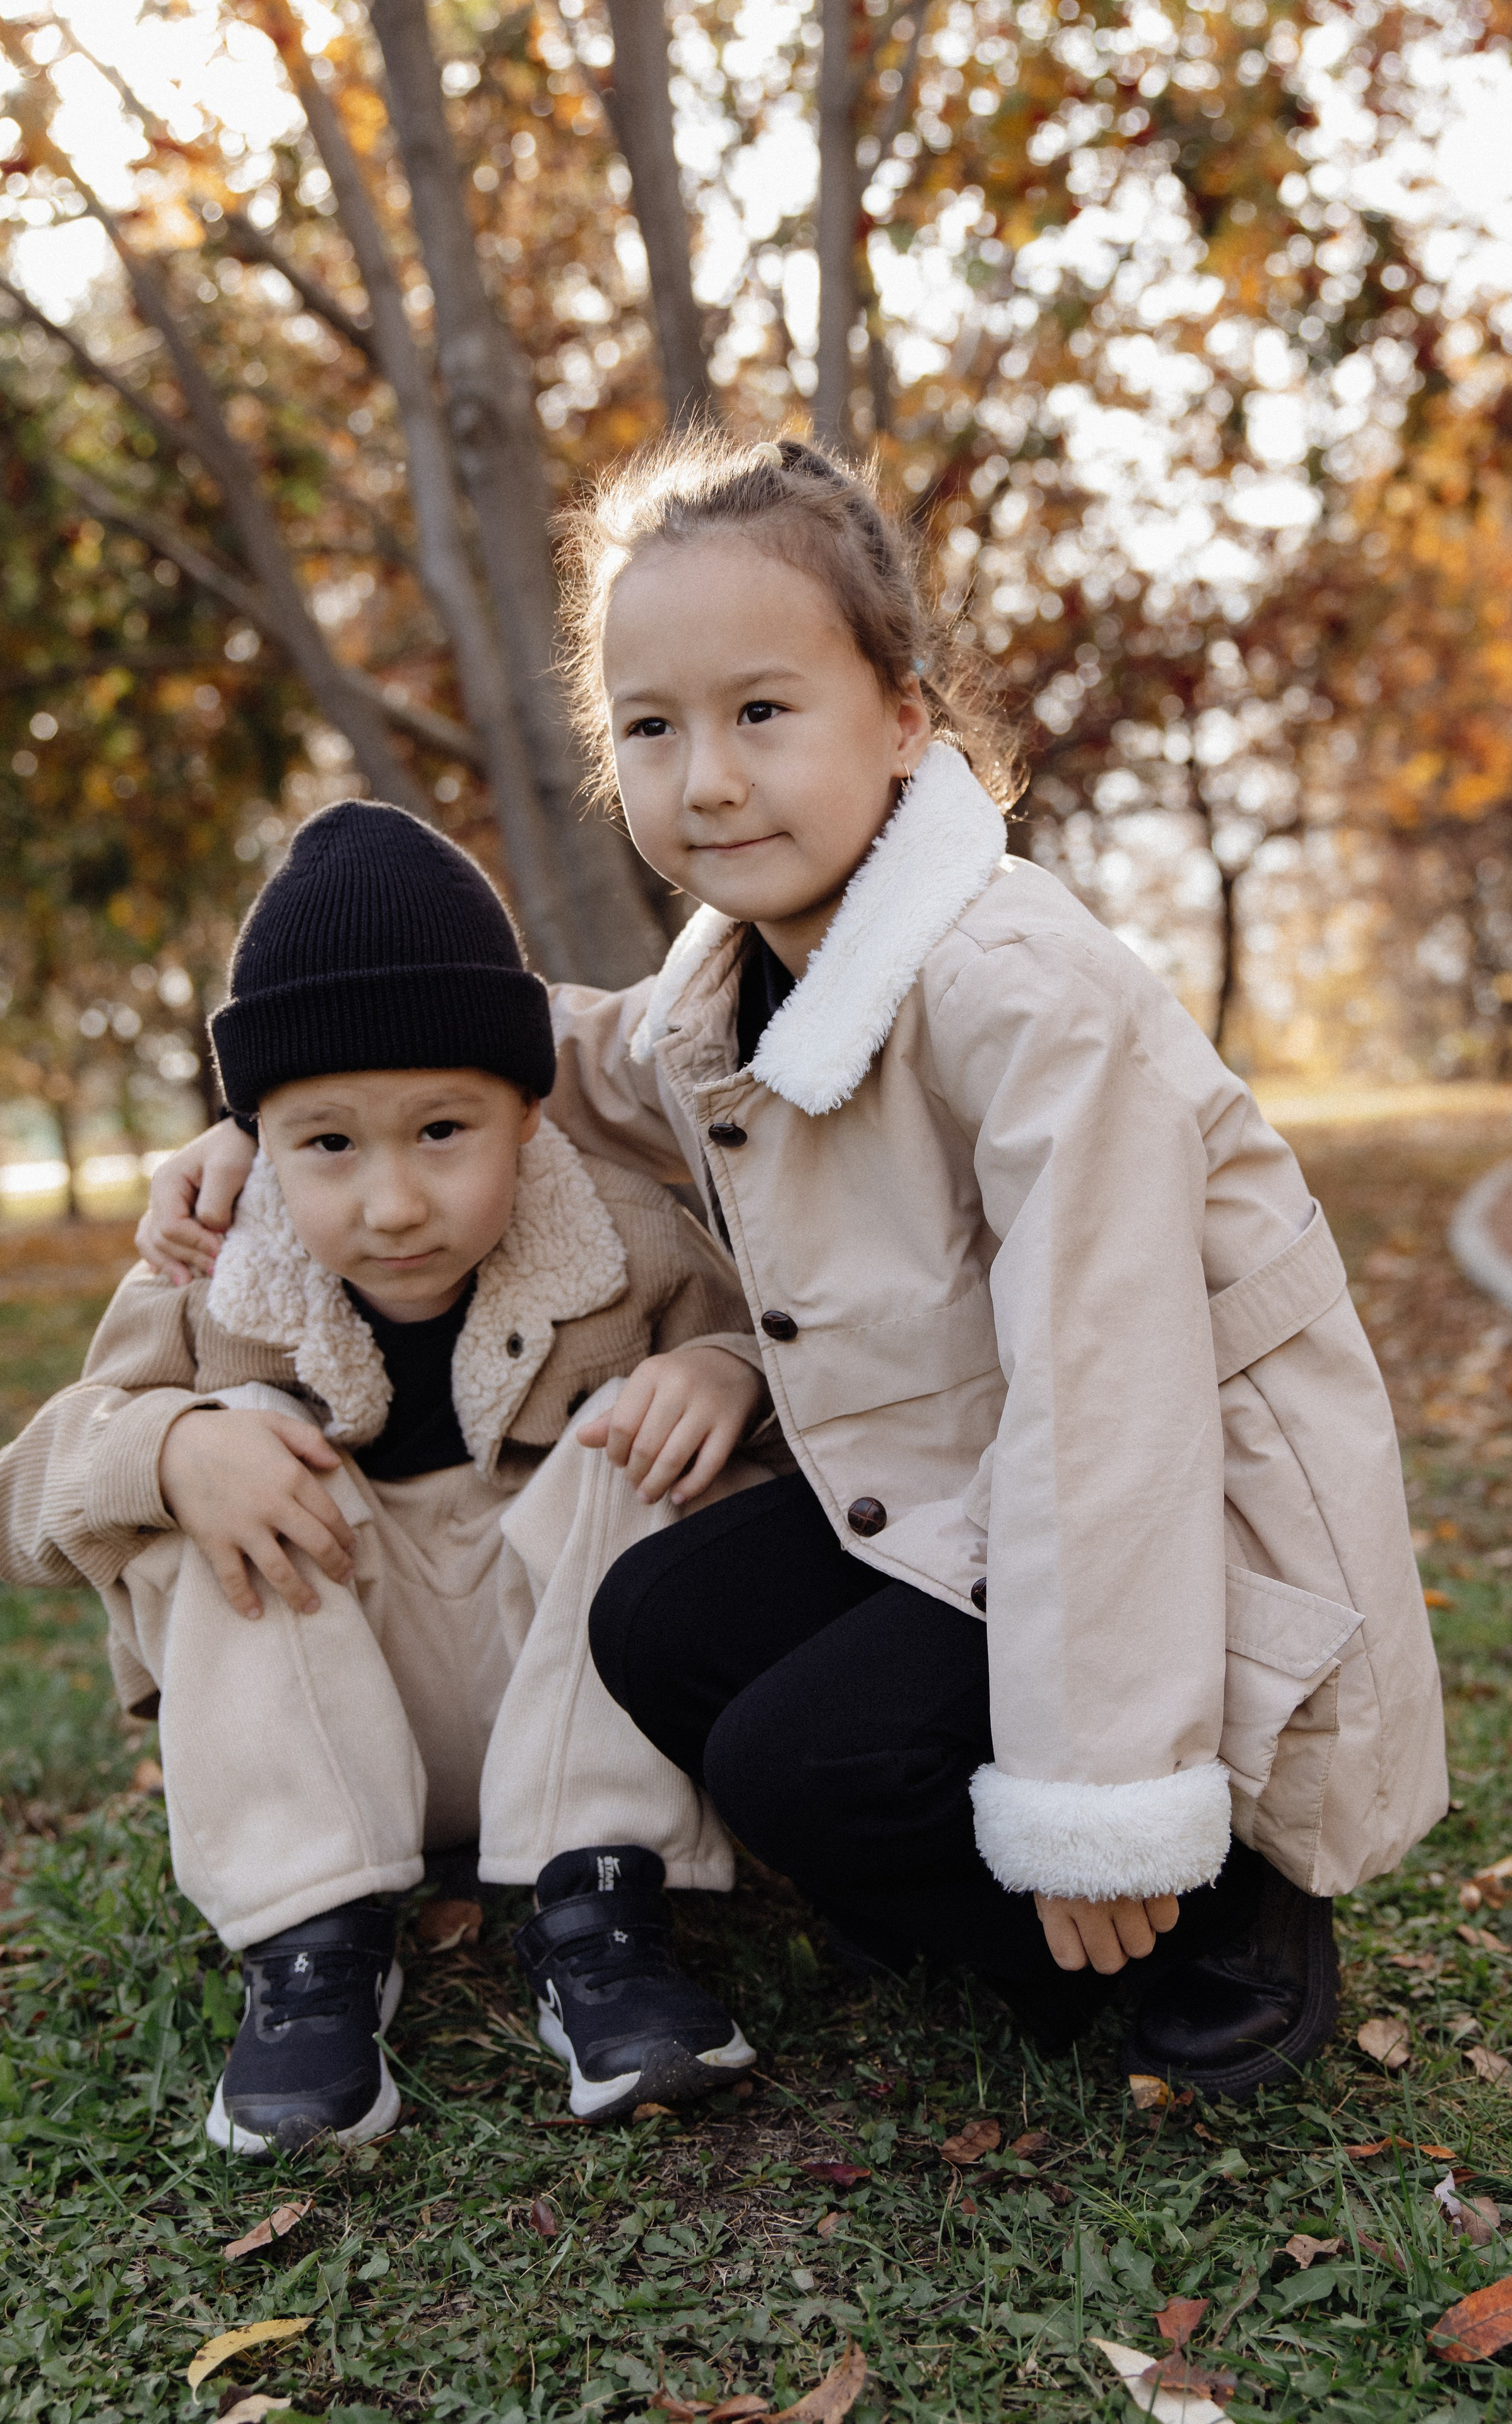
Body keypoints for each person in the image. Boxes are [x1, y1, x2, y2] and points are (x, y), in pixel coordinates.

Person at [137, 434, 1448, 2098]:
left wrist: (1103, 1790)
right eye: (650, 728)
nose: (707, 780)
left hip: (1174, 1522)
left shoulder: (1019, 988)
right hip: (962, 1496)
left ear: (901, 718)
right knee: (654, 1622)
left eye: (762, 711)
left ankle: (1217, 1906)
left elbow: (1113, 1400)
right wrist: (284, 1110)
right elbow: (567, 1057)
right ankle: (968, 1886)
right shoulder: (737, 977)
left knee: (794, 1760)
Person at [0, 799, 772, 2155]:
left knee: (643, 1426)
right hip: (339, 1705)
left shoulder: (628, 1240)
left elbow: (803, 1412)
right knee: (214, 1444)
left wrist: (727, 1369)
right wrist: (169, 1449)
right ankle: (316, 1939)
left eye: (443, 1130)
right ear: (258, 1143)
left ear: (528, 1112)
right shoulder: (209, 1274)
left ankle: (600, 1912)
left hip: (558, 1695)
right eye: (329, 1144)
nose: (392, 1202)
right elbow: (12, 1505)